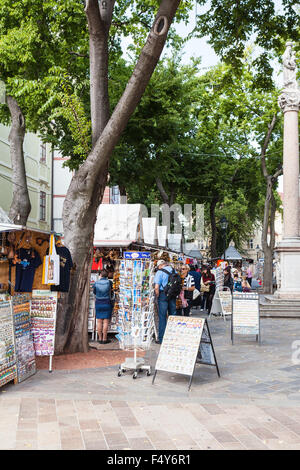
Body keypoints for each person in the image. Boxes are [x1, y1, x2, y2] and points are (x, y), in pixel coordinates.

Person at [154, 260, 177, 344]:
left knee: (162, 317)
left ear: (160, 265)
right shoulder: (174, 270)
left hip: (163, 295)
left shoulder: (159, 272)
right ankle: (173, 337)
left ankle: (162, 339)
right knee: (173, 316)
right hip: (173, 295)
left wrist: (157, 296)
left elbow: (156, 287)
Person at [93, 269, 114, 344]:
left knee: (99, 321)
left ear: (100, 275)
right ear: (107, 275)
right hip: (107, 302)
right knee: (105, 322)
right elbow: (112, 291)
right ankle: (105, 339)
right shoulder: (109, 282)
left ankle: (100, 338)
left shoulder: (96, 283)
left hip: (98, 303)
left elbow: (94, 292)